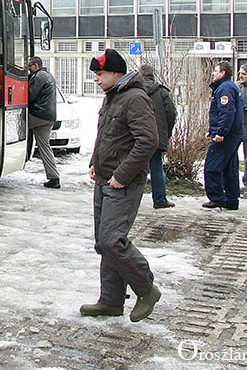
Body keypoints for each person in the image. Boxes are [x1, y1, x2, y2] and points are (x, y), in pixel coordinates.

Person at [80, 49, 161, 323]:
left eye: (99, 74)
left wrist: (122, 175)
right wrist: (95, 161)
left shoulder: (135, 98)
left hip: (122, 183)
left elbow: (148, 141)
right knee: (103, 243)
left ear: (116, 73)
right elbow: (107, 135)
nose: (95, 79)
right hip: (105, 178)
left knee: (112, 241)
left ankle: (146, 289)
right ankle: (111, 300)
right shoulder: (114, 96)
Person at [202, 61, 245, 210]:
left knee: (212, 166)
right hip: (234, 133)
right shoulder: (230, 87)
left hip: (227, 135)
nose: (213, 73)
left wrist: (220, 132)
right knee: (230, 168)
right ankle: (232, 199)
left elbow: (227, 112)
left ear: (223, 73)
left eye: (216, 71)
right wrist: (212, 129)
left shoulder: (224, 88)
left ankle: (217, 198)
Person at [139, 64, 177, 209]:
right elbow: (171, 113)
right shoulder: (162, 91)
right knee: (156, 167)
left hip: (138, 137)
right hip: (156, 136)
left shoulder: (135, 91)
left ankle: (129, 199)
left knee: (134, 167)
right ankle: (160, 199)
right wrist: (166, 133)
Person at [28, 56, 60, 188]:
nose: (29, 69)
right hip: (48, 116)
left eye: (30, 66)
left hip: (37, 115)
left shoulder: (39, 76)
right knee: (45, 146)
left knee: (9, 126)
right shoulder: (48, 75)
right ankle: (54, 178)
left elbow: (29, 95)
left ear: (36, 65)